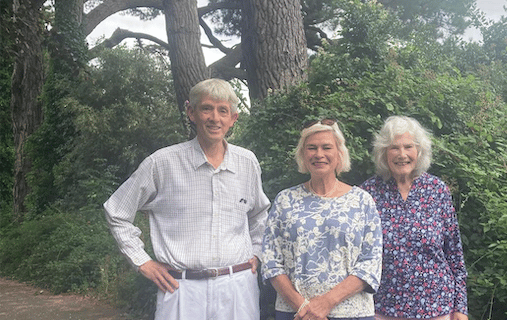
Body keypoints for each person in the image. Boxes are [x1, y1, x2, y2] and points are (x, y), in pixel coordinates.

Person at [104, 78, 270, 320]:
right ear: (191, 112)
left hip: (238, 287)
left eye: (223, 110)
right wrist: (143, 262)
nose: (215, 118)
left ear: (233, 119)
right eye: (206, 108)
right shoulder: (162, 163)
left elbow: (259, 215)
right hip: (181, 289)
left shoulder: (247, 162)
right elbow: (117, 212)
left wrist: (257, 251)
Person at [262, 118, 383, 320]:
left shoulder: (362, 201)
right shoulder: (285, 200)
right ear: (302, 154)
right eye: (311, 148)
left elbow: (371, 263)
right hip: (296, 314)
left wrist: (325, 303)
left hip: (352, 313)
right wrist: (303, 307)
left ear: (339, 153)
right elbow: (270, 260)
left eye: (326, 147)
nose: (319, 154)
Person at [360, 116, 468, 320]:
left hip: (436, 308)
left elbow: (454, 254)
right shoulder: (367, 193)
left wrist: (461, 308)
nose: (402, 154)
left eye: (408, 147)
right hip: (382, 309)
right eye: (394, 148)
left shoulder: (437, 190)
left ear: (419, 151)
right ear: (384, 153)